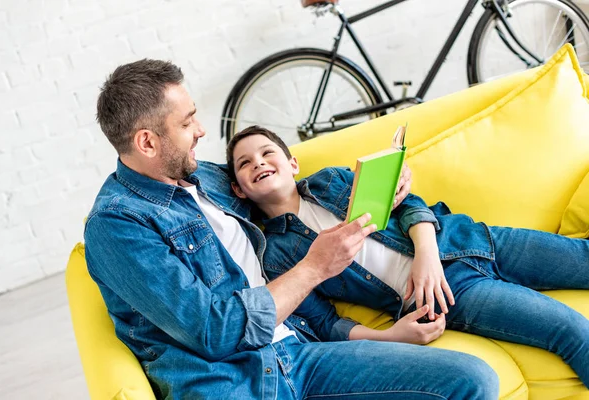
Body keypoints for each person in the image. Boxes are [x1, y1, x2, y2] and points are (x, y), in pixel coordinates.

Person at [84, 59, 500, 400]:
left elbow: (281, 176)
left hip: (300, 352)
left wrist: (385, 183)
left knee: (472, 379)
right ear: (147, 142)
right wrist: (314, 268)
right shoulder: (118, 225)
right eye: (187, 122)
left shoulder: (206, 176)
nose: (201, 131)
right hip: (236, 383)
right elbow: (215, 331)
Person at [226, 125, 589, 388]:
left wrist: (426, 253)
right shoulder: (275, 257)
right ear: (238, 189)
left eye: (266, 152)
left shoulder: (330, 180)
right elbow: (323, 324)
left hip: (469, 239)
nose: (258, 163)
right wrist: (393, 336)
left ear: (292, 164)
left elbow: (409, 204)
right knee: (570, 329)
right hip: (450, 293)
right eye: (245, 163)